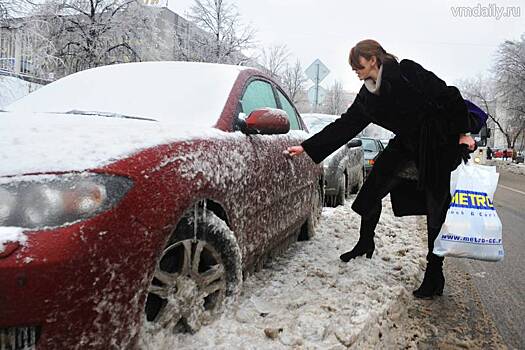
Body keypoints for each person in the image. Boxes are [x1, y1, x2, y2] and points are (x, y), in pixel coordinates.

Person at [287, 39, 479, 299]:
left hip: (436, 146)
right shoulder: (367, 96)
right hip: (405, 147)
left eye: (359, 64)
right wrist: (307, 147)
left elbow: (450, 95)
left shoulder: (408, 72)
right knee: (370, 192)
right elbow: (346, 125)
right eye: (354, 66)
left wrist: (461, 132)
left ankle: (435, 273)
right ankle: (365, 241)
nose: (355, 70)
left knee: (436, 210)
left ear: (374, 60)